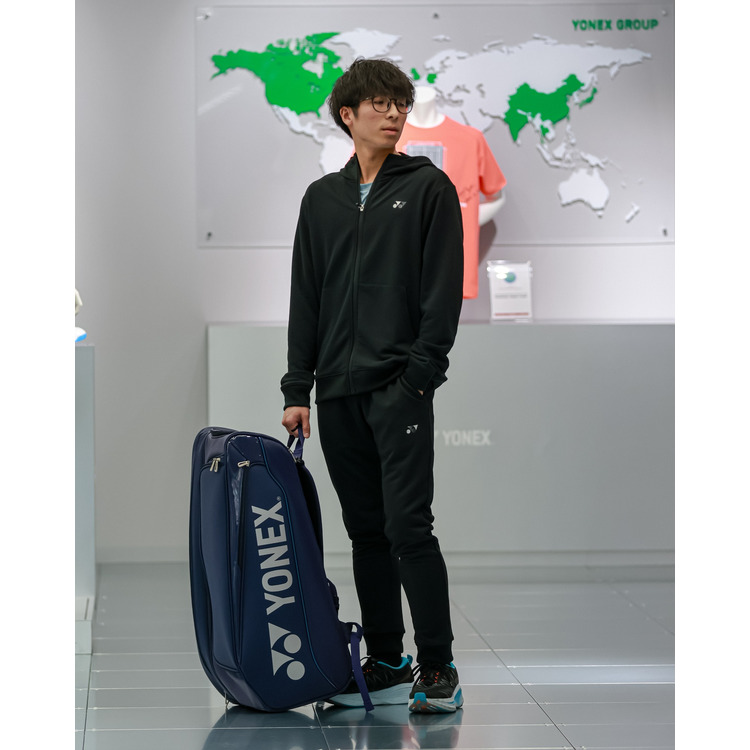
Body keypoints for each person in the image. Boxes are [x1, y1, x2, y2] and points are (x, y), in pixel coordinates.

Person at [281, 58, 464, 713]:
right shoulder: (321, 199)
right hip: (337, 393)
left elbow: (443, 292)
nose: (394, 114)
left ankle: (438, 668)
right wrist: (298, 389)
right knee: (366, 532)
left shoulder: (429, 187)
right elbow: (307, 297)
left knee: (409, 527)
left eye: (400, 104)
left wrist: (419, 377)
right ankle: (387, 659)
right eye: (380, 103)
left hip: (399, 389)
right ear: (348, 114)